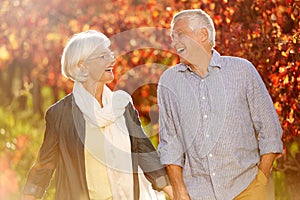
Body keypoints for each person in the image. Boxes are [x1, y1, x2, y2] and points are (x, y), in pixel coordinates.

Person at [22, 30, 173, 200]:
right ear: (81, 65)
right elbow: (44, 167)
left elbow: (143, 152)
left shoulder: (122, 105)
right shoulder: (60, 114)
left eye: (110, 54)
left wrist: (174, 193)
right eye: (103, 56)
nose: (112, 60)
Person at [157, 9, 283, 200]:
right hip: (197, 194)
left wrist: (260, 181)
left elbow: (270, 130)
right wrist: (180, 191)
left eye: (180, 35)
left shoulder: (242, 71)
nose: (174, 43)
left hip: (246, 189)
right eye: (172, 37)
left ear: (203, 35)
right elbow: (169, 144)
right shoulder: (169, 82)